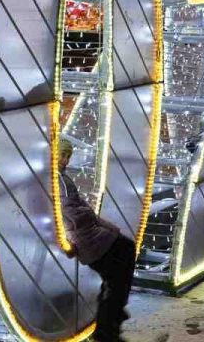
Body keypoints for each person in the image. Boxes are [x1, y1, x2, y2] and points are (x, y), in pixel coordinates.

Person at [57, 140, 135, 342]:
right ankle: (109, 323)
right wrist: (91, 218)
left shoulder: (61, 179)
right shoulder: (58, 181)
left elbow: (81, 210)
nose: (65, 160)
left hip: (91, 236)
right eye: (62, 154)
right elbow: (72, 212)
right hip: (87, 239)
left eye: (68, 156)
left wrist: (109, 227)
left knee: (118, 268)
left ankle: (111, 315)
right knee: (120, 268)